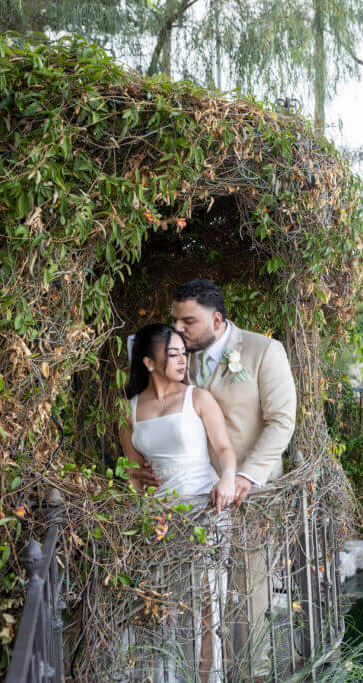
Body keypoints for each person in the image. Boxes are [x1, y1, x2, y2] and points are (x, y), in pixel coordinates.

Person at [135, 278, 297, 677]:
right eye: (175, 320)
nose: (180, 328)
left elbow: (281, 422)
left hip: (247, 493)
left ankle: (250, 671)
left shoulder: (263, 351)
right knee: (196, 594)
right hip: (189, 492)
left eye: (188, 321)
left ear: (218, 319)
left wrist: (244, 476)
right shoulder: (177, 357)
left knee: (247, 588)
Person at [119, 323, 237, 682]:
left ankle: (207, 677)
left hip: (205, 509)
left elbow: (224, 449)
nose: (183, 360)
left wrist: (228, 479)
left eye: (184, 353)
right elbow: (132, 471)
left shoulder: (197, 398)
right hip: (160, 520)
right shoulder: (129, 409)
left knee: (206, 604)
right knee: (164, 603)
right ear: (149, 362)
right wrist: (142, 496)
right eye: (173, 354)